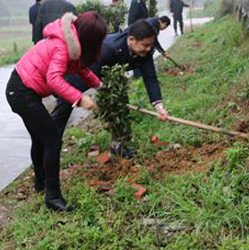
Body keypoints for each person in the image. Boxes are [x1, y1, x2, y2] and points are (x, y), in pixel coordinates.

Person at [6, 11, 106, 212]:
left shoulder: (73, 45)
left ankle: (41, 184)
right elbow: (54, 79)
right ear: (90, 38)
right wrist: (80, 98)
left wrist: (100, 86)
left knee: (40, 139)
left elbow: (81, 70)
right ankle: (53, 197)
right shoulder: (63, 46)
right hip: (21, 92)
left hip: (21, 90)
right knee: (52, 140)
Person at [50, 19, 170, 159]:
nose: (149, 49)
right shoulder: (108, 48)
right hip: (82, 73)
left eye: (151, 45)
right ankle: (50, 146)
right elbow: (87, 75)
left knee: (120, 106)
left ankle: (121, 147)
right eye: (146, 45)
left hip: (112, 77)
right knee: (62, 111)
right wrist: (80, 97)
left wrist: (159, 107)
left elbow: (150, 78)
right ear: (131, 40)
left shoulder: (146, 51)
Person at [128, 0, 151, 78]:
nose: (147, 0)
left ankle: (140, 72)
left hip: (140, 30)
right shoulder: (136, 3)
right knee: (136, 52)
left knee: (140, 51)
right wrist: (134, 31)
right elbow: (132, 18)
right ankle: (137, 74)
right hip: (136, 31)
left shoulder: (141, 2)